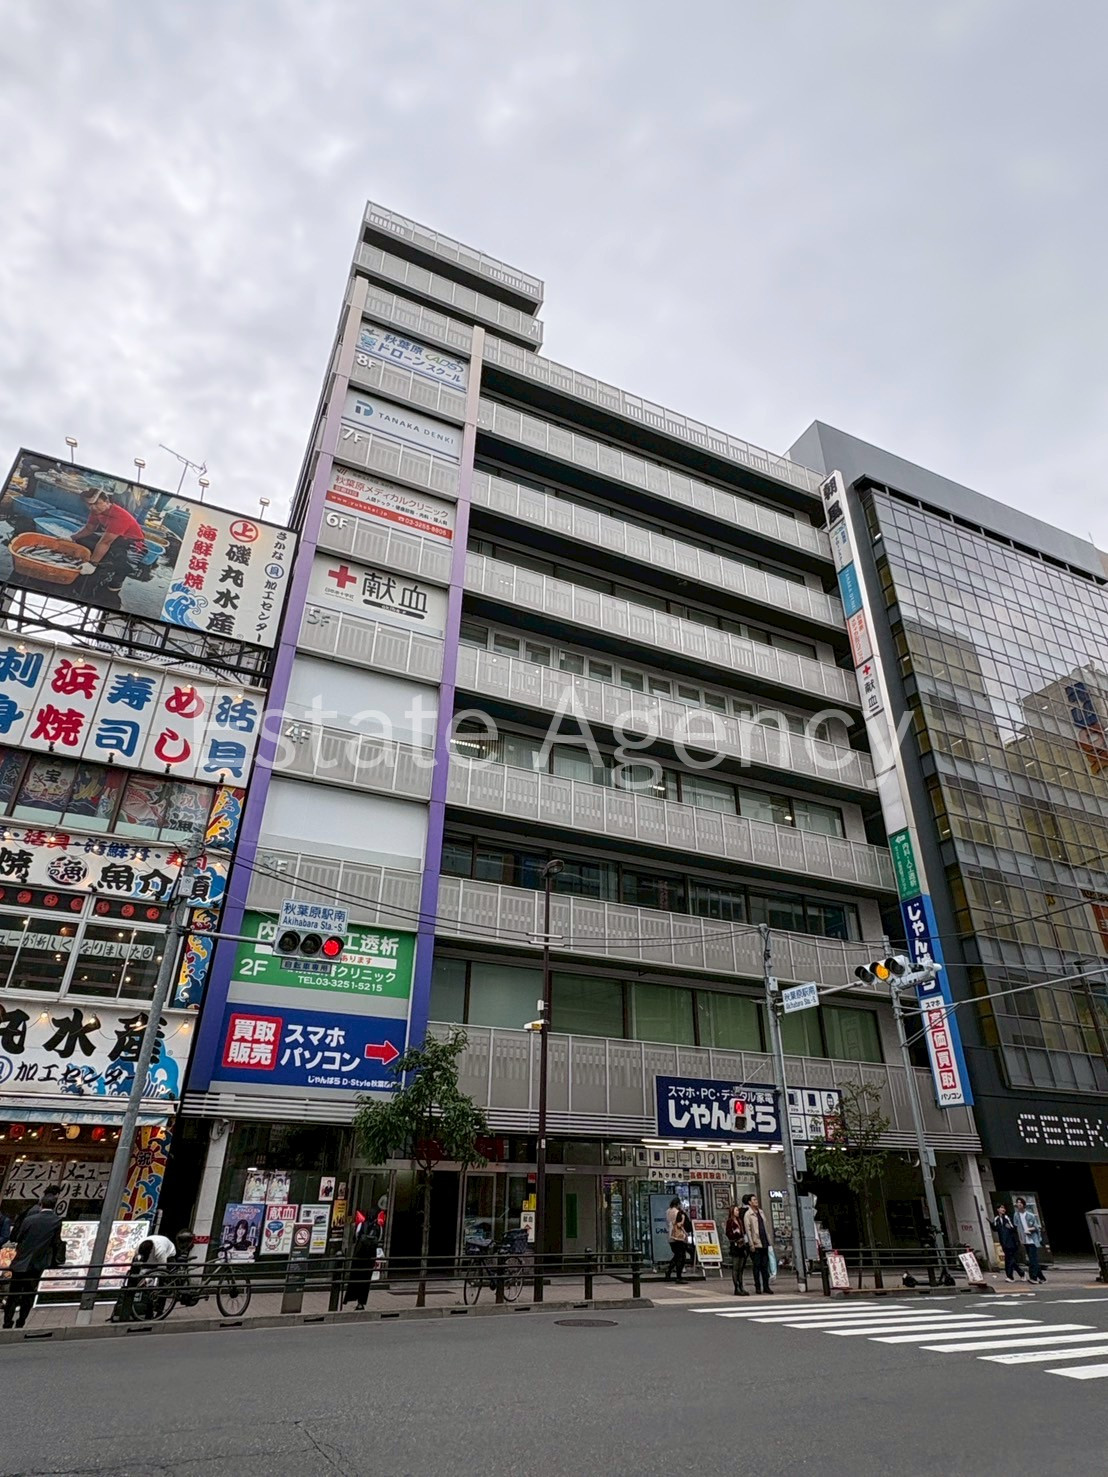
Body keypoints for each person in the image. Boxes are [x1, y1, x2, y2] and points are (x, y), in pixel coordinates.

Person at [72, 487, 147, 604]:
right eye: (89, 504)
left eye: (96, 503)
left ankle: (115, 584)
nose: (92, 507)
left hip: (134, 546)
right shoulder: (95, 512)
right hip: (118, 539)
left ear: (107, 502)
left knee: (115, 562)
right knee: (82, 540)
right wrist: (72, 538)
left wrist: (93, 564)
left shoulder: (119, 516)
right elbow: (89, 528)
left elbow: (105, 542)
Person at [3, 1186, 64, 1330]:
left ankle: (7, 1322)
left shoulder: (29, 1219)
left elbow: (18, 1237)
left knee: (13, 1294)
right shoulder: (56, 1221)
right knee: (29, 1294)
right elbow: (56, 1242)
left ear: (41, 1203)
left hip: (21, 1261)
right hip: (38, 1262)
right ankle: (21, 1322)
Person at [111, 1231, 179, 1323]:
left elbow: (161, 1270)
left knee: (163, 1282)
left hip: (168, 1255)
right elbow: (136, 1264)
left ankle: (160, 1310)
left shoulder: (160, 1250)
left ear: (151, 1251)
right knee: (137, 1277)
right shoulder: (139, 1246)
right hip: (151, 1258)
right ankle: (133, 1306)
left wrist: (147, 1279)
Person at [743, 1194, 774, 1294]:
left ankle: (766, 1286)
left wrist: (769, 1241)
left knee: (765, 1265)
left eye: (756, 1199)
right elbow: (748, 1230)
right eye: (754, 1200)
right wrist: (751, 1243)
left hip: (764, 1242)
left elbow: (766, 1227)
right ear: (749, 1202)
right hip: (756, 1243)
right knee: (756, 1266)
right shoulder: (748, 1214)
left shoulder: (761, 1212)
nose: (756, 1201)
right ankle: (757, 1286)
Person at [1014, 1197, 1046, 1284]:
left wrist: (1029, 1229)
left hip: (1032, 1240)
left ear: (1024, 1204)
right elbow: (1016, 1226)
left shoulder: (1030, 1215)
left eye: (1020, 1202)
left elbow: (1036, 1227)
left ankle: (1033, 1277)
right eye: (1017, 1202)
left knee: (1032, 1260)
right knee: (1033, 1260)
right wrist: (1020, 1237)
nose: (1019, 1204)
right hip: (1025, 1240)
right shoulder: (1016, 1215)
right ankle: (1042, 1278)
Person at [992, 1203, 1025, 1281]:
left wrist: (1009, 1227)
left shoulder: (1007, 1217)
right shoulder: (996, 1219)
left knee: (1009, 1259)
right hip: (1003, 1241)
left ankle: (1010, 1276)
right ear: (998, 1209)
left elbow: (1013, 1227)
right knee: (1009, 1259)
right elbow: (995, 1229)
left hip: (1010, 1241)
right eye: (1001, 1208)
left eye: (1004, 1208)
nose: (1003, 1209)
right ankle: (1021, 1273)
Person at [726, 1198, 751, 1296]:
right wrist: (735, 1235)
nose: (738, 1212)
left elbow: (743, 1232)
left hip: (741, 1245)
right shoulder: (730, 1222)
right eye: (736, 1210)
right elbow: (728, 1234)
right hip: (735, 1245)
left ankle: (741, 1286)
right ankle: (736, 1287)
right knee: (736, 1267)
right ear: (732, 1211)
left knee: (741, 1267)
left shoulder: (740, 1221)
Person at [664, 1197, 690, 1283]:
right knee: (681, 1257)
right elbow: (679, 1225)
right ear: (678, 1204)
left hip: (670, 1235)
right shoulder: (677, 1212)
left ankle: (669, 1270)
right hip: (678, 1236)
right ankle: (678, 1277)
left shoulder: (668, 1211)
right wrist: (685, 1234)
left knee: (677, 1255)